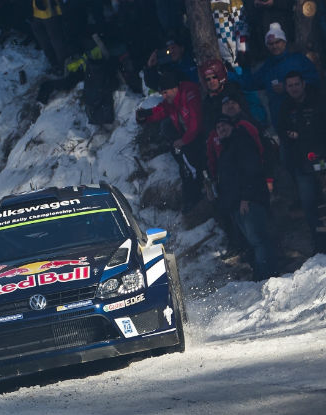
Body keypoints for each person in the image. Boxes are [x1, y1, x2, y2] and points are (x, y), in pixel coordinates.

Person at [212, 116, 277, 281]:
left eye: (224, 125)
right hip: (236, 203)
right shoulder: (226, 148)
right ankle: (263, 275)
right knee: (253, 241)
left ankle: (267, 275)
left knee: (259, 239)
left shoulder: (241, 142)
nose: (221, 129)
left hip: (250, 200)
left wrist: (246, 198)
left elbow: (252, 171)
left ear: (233, 126)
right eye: (218, 127)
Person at [136, 72, 204, 213]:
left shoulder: (189, 96)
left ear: (174, 88)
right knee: (184, 166)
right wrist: (146, 116)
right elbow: (162, 110)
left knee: (192, 167)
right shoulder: (171, 100)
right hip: (186, 139)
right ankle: (189, 199)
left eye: (166, 92)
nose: (164, 96)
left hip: (198, 138)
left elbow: (195, 125)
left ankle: (197, 197)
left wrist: (183, 141)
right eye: (162, 93)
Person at [276, 70, 326, 246]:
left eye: (297, 84)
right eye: (290, 85)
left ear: (303, 84)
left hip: (322, 159)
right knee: (308, 204)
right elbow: (282, 131)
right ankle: (319, 243)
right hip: (300, 163)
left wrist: (302, 134)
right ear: (286, 87)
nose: (294, 88)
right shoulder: (285, 107)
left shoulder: (318, 101)